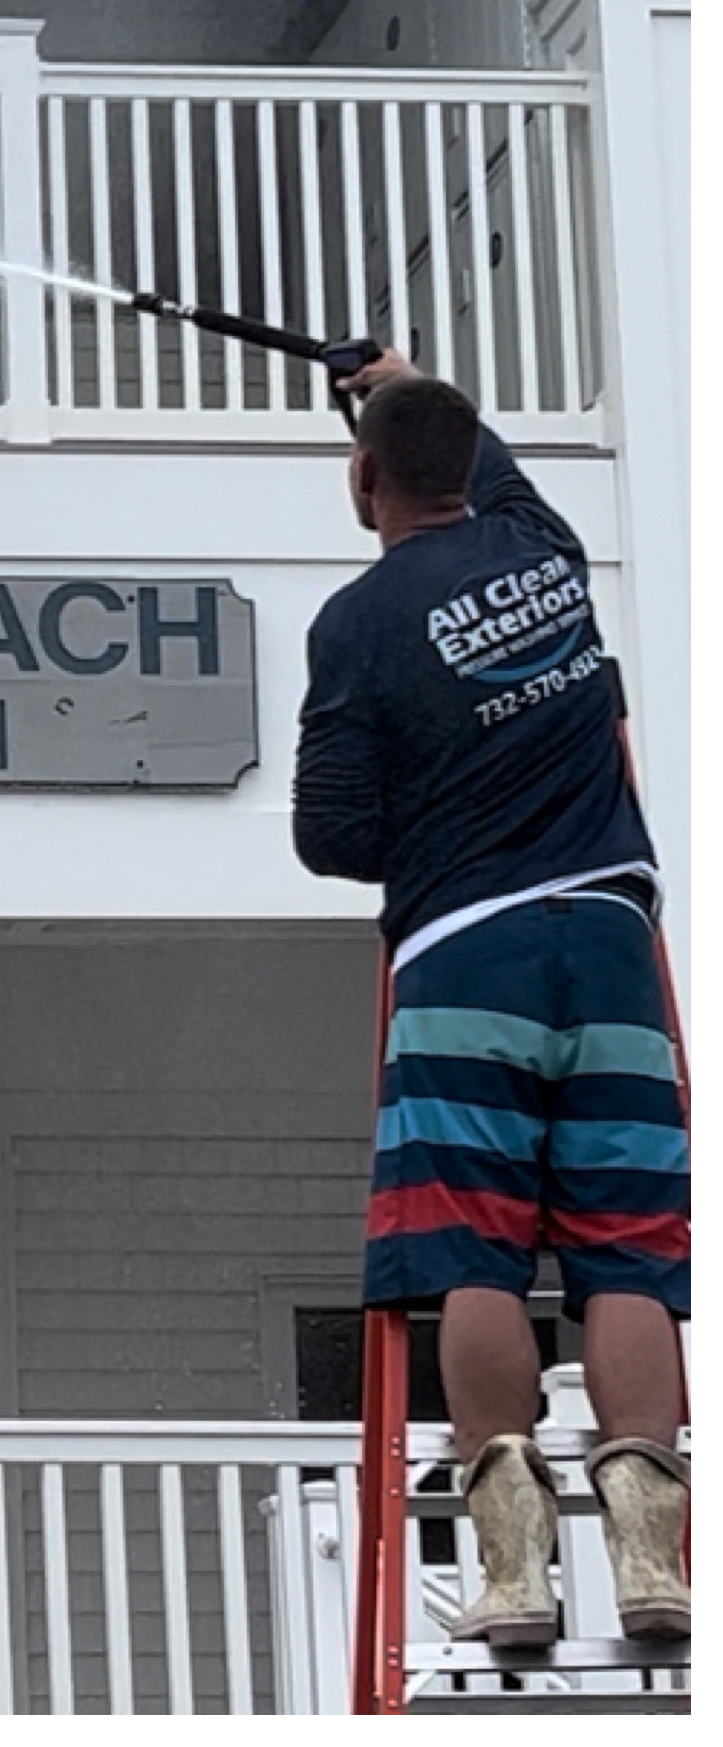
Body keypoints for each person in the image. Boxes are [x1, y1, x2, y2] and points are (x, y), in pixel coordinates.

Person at [292, 350, 690, 1647]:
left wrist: (438, 800)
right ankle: (651, 1565)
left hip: (469, 953)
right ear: (470, 469)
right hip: (617, 951)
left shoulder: (356, 625)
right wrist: (414, 385)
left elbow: (332, 836)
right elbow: (488, 468)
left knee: (471, 1252)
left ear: (363, 481)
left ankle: (514, 1576)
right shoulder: (548, 554)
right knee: (628, 1257)